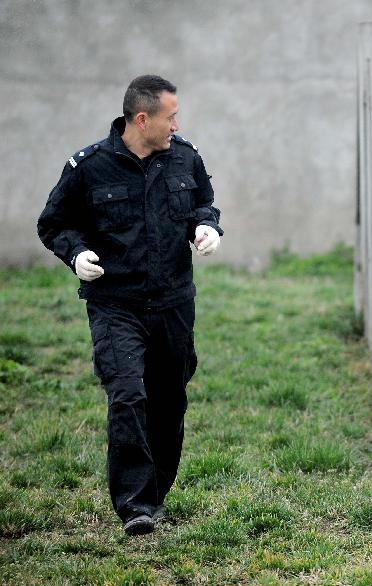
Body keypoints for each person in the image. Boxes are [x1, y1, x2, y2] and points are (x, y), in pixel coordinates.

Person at [37, 75, 223, 536]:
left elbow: (205, 202)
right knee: (127, 395)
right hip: (115, 303)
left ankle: (155, 491)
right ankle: (136, 505)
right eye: (170, 116)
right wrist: (76, 254)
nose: (177, 125)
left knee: (169, 397)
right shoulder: (88, 167)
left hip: (174, 302)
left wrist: (206, 227)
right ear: (142, 119)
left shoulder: (186, 157)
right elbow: (53, 223)